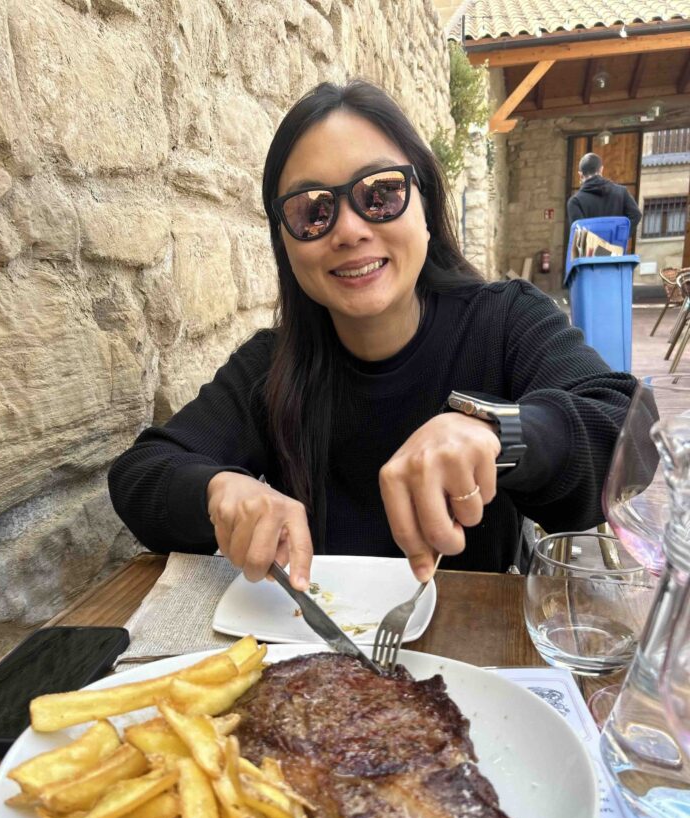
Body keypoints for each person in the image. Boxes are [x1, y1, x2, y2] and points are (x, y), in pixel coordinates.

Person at [109, 80, 636, 589]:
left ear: (425, 205)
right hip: (314, 653)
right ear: (285, 244)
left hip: (475, 642)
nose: (350, 230)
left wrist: (500, 434)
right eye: (312, 211)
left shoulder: (503, 320)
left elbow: (624, 431)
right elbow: (141, 473)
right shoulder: (271, 366)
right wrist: (218, 491)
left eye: (381, 194)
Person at [567, 152, 642, 240]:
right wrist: (619, 237)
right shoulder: (622, 192)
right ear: (601, 170)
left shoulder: (575, 202)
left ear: (580, 174)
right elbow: (636, 215)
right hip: (615, 250)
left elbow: (579, 236)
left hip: (590, 252)